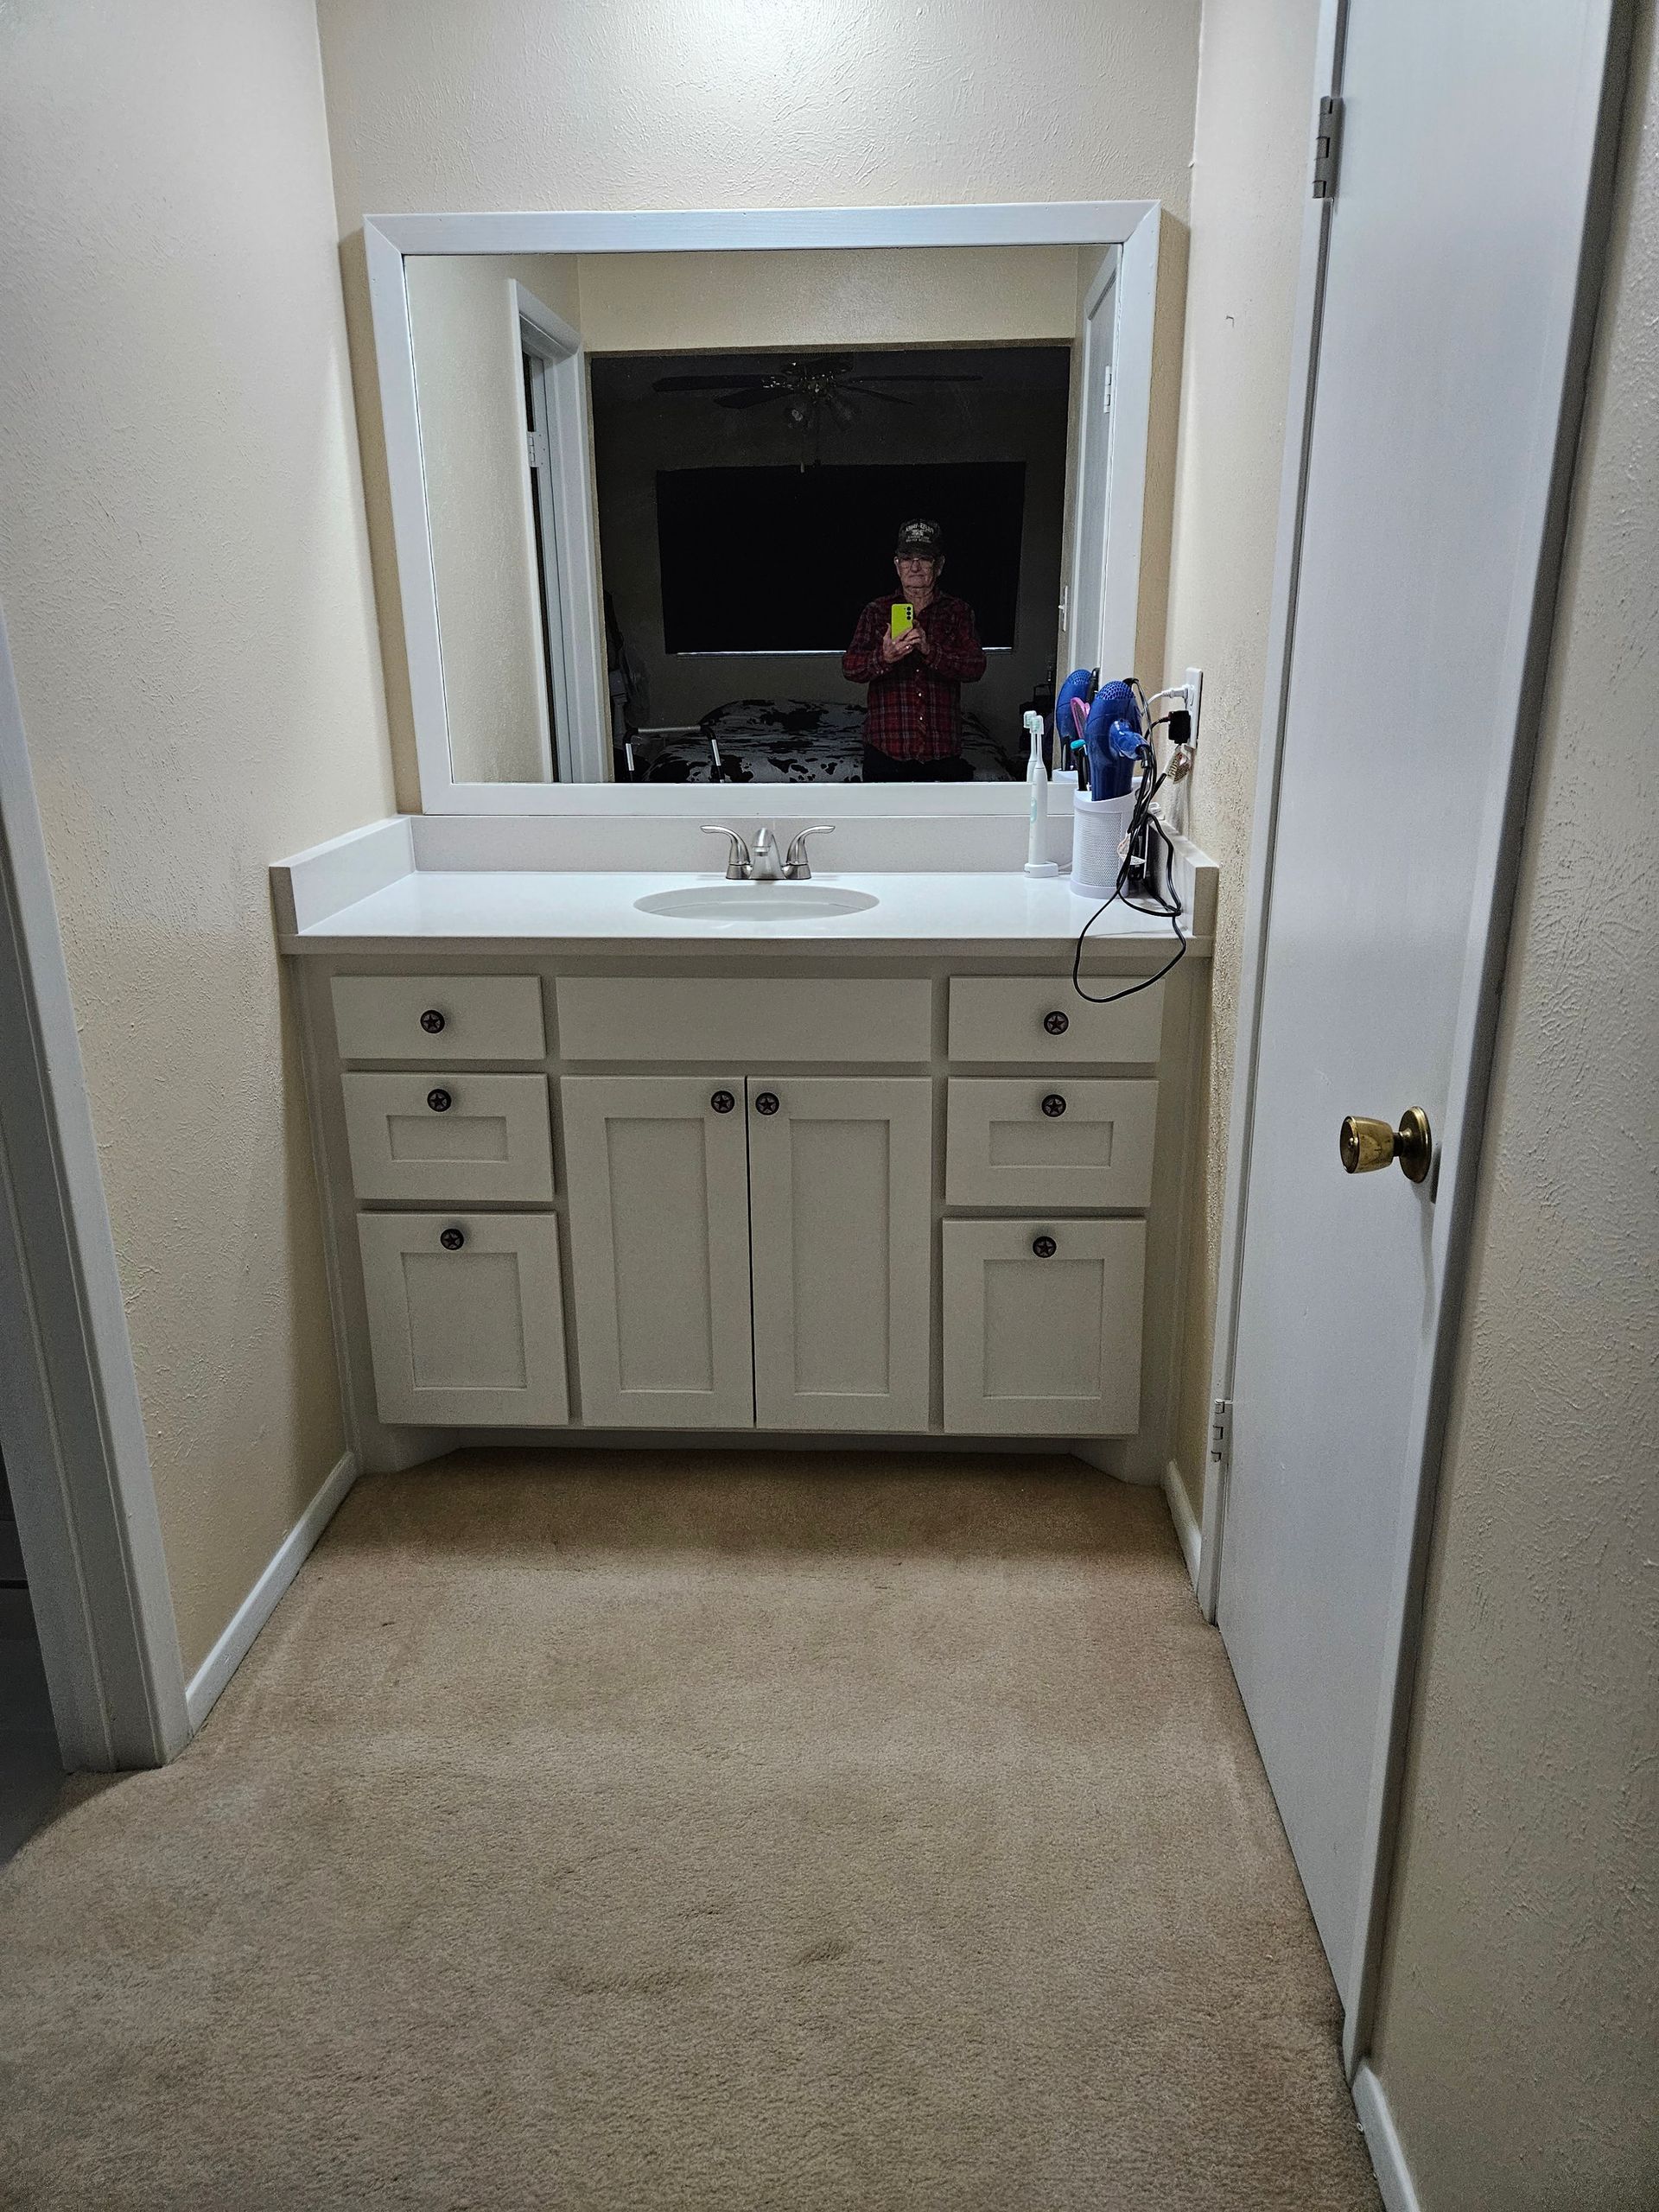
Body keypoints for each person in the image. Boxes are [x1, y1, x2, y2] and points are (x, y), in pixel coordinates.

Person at [842, 519, 987, 780]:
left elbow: (975, 667)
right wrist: (883, 657)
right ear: (897, 566)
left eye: (924, 558)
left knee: (945, 821)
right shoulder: (876, 612)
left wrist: (930, 649)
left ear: (939, 565)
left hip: (942, 750)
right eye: (907, 558)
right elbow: (850, 667)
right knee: (883, 822)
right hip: (886, 749)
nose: (915, 566)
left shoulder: (958, 612)